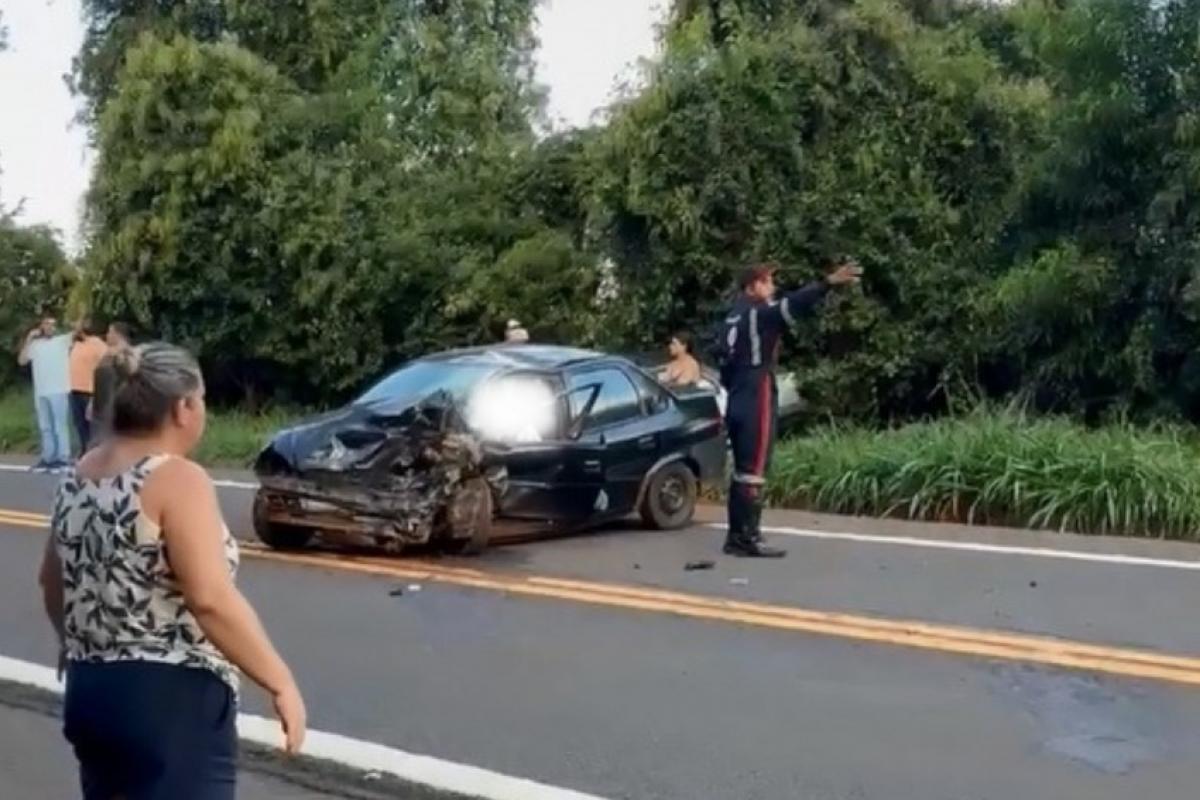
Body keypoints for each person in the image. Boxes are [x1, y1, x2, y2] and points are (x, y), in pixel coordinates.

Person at [38, 342, 306, 799]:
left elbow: (51, 579)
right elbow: (210, 598)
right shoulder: (177, 479)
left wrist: (74, 642)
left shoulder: (78, 475)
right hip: (167, 702)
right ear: (184, 407)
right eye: (201, 400)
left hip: (91, 692)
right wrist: (279, 681)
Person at [718, 260, 862, 558]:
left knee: (743, 469)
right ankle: (747, 537)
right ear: (752, 287)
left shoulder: (732, 317)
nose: (772, 286)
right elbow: (794, 304)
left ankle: (737, 535)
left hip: (736, 394)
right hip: (756, 393)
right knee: (755, 468)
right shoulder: (758, 315)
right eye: (767, 281)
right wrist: (828, 283)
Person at [17, 314, 73, 472]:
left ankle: (63, 457)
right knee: (45, 426)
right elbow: (22, 361)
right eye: (46, 324)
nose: (50, 327)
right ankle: (49, 457)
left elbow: (78, 330)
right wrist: (29, 338)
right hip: (41, 390)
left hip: (59, 389)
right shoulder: (35, 345)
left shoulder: (62, 340)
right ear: (41, 327)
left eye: (53, 324)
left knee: (59, 425)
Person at [88, 322, 132, 445]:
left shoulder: (126, 355)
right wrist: (92, 401)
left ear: (117, 334)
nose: (107, 335)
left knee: (107, 443)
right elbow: (99, 378)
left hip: (114, 407)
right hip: (100, 405)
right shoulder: (107, 354)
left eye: (109, 332)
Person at [68, 320, 108, 453]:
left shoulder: (97, 343)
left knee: (92, 424)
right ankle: (84, 449)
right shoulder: (76, 344)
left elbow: (105, 363)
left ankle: (96, 452)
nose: (74, 329)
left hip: (89, 390)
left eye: (77, 327)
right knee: (79, 424)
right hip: (74, 390)